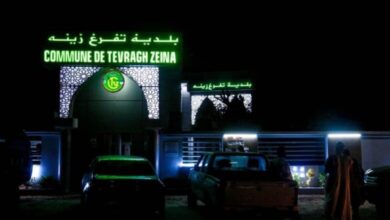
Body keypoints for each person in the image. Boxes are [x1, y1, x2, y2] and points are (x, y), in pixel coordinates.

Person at [324, 142, 354, 220]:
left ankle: (336, 215)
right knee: (335, 199)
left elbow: (326, 170)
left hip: (340, 184)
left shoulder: (344, 159)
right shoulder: (338, 158)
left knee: (337, 200)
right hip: (336, 183)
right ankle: (335, 215)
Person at [343, 149, 365, 220]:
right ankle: (355, 214)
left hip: (351, 184)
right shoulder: (353, 160)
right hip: (353, 184)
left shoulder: (346, 161)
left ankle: (353, 214)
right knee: (354, 201)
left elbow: (358, 171)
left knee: (352, 200)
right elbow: (360, 171)